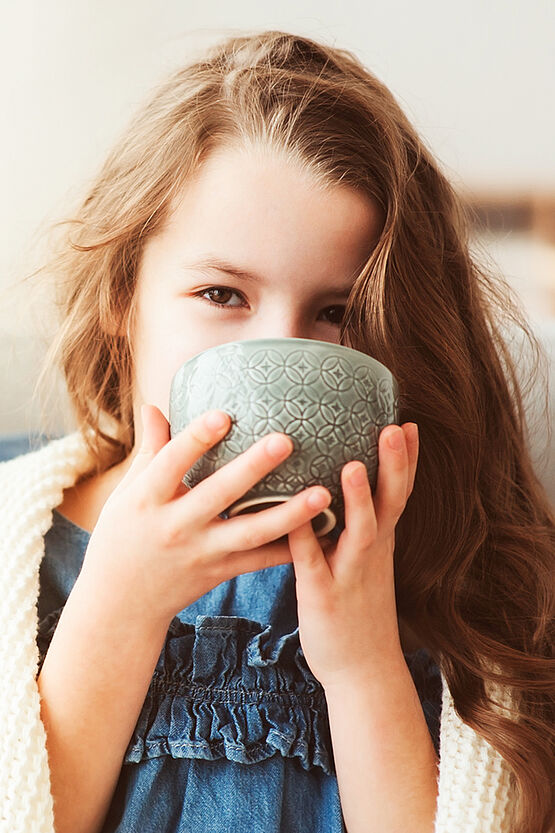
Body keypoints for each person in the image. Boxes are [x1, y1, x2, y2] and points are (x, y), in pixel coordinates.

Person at [0, 29, 553, 833]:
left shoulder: (450, 568)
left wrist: (364, 666)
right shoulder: (20, 546)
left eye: (337, 313)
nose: (278, 347)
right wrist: (116, 612)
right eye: (222, 294)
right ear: (123, 296)